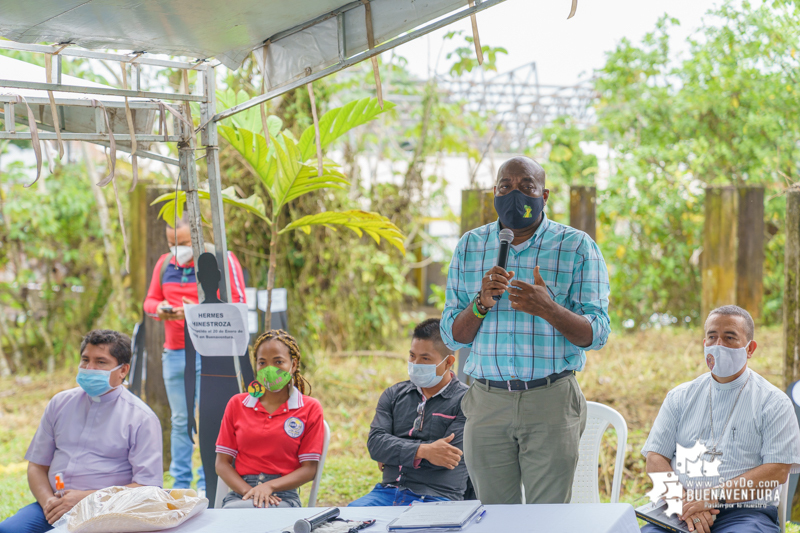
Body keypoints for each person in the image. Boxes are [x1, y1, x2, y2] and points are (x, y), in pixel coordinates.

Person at [439, 156, 611, 505]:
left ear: (543, 195)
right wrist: (480, 304)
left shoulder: (576, 246)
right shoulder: (470, 246)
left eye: (526, 187)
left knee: (545, 522)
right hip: (487, 403)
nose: (514, 195)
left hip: (550, 402)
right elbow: (452, 337)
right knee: (495, 519)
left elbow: (597, 334)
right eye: (506, 187)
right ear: (494, 193)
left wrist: (549, 309)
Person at [641, 305, 800, 533]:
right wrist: (684, 503)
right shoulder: (680, 396)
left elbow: (776, 470)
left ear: (750, 348)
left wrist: (711, 497)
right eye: (712, 337)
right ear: (704, 343)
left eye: (729, 337)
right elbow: (655, 457)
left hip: (745, 513)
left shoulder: (773, 402)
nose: (719, 345)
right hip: (679, 509)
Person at [0, 330, 163, 533]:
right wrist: (49, 503)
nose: (90, 368)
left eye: (101, 362)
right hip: (53, 506)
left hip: (109, 513)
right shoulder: (60, 403)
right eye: (85, 360)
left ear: (123, 370)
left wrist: (88, 499)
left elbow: (148, 488)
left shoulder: (141, 418)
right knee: (9, 530)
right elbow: (36, 466)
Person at [143, 214, 246, 493]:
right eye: (172, 243)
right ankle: (180, 484)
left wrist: (195, 311)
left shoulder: (222, 258)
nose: (179, 249)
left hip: (211, 353)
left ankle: (207, 483)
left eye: (185, 242)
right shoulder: (165, 264)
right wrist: (160, 309)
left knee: (210, 418)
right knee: (180, 420)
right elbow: (149, 300)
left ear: (200, 235)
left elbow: (237, 302)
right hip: (175, 352)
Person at [349, 318, 469, 507]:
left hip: (436, 497)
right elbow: (375, 444)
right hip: (387, 492)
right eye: (412, 356)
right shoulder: (394, 395)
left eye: (425, 358)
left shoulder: (466, 401)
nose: (415, 363)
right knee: (350, 518)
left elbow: (448, 457)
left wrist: (394, 452)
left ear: (449, 362)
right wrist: (424, 450)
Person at [215, 330, 324, 509]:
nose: (269, 369)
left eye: (278, 361)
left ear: (294, 364)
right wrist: (251, 492)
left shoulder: (309, 408)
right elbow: (222, 464)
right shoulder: (237, 404)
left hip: (283, 496)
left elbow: (309, 469)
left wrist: (269, 486)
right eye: (262, 362)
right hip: (240, 494)